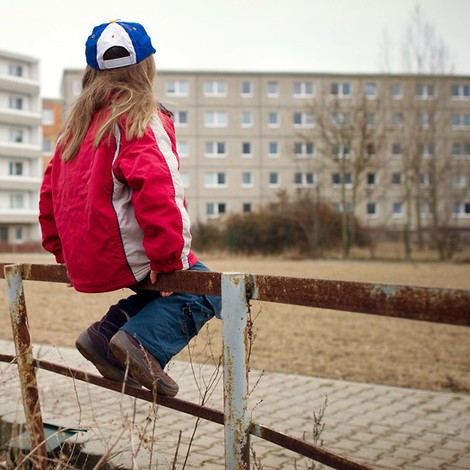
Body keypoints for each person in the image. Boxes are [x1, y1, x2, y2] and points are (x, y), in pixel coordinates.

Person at [38, 20, 221, 397]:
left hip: (86, 260)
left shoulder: (74, 129)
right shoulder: (139, 116)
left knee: (159, 292)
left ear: (92, 73)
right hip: (125, 254)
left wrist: (61, 253)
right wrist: (171, 260)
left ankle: (104, 336)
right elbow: (160, 190)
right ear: (147, 67)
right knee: (207, 288)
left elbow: (48, 195)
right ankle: (142, 344)